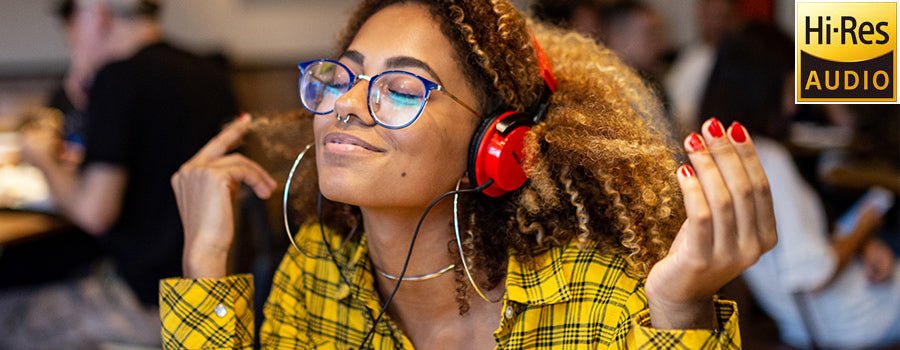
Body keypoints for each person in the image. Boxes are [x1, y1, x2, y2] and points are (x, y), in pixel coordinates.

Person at [160, 0, 776, 348]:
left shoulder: (592, 292)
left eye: (401, 89)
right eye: (340, 76)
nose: (345, 103)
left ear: (495, 145)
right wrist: (205, 266)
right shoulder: (316, 269)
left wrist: (679, 313)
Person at [8, 0, 237, 347]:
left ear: (95, 14)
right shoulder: (209, 72)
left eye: (70, 23)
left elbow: (95, 212)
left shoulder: (118, 77)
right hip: (208, 293)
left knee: (6, 313)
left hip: (144, 302)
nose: (70, 38)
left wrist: (41, 159)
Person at [699, 23, 900, 349]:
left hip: (807, 320)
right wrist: (863, 229)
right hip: (844, 318)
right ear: (765, 84)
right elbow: (811, 272)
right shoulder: (768, 160)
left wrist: (862, 244)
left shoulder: (724, 156)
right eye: (790, 82)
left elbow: (797, 251)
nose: (795, 98)